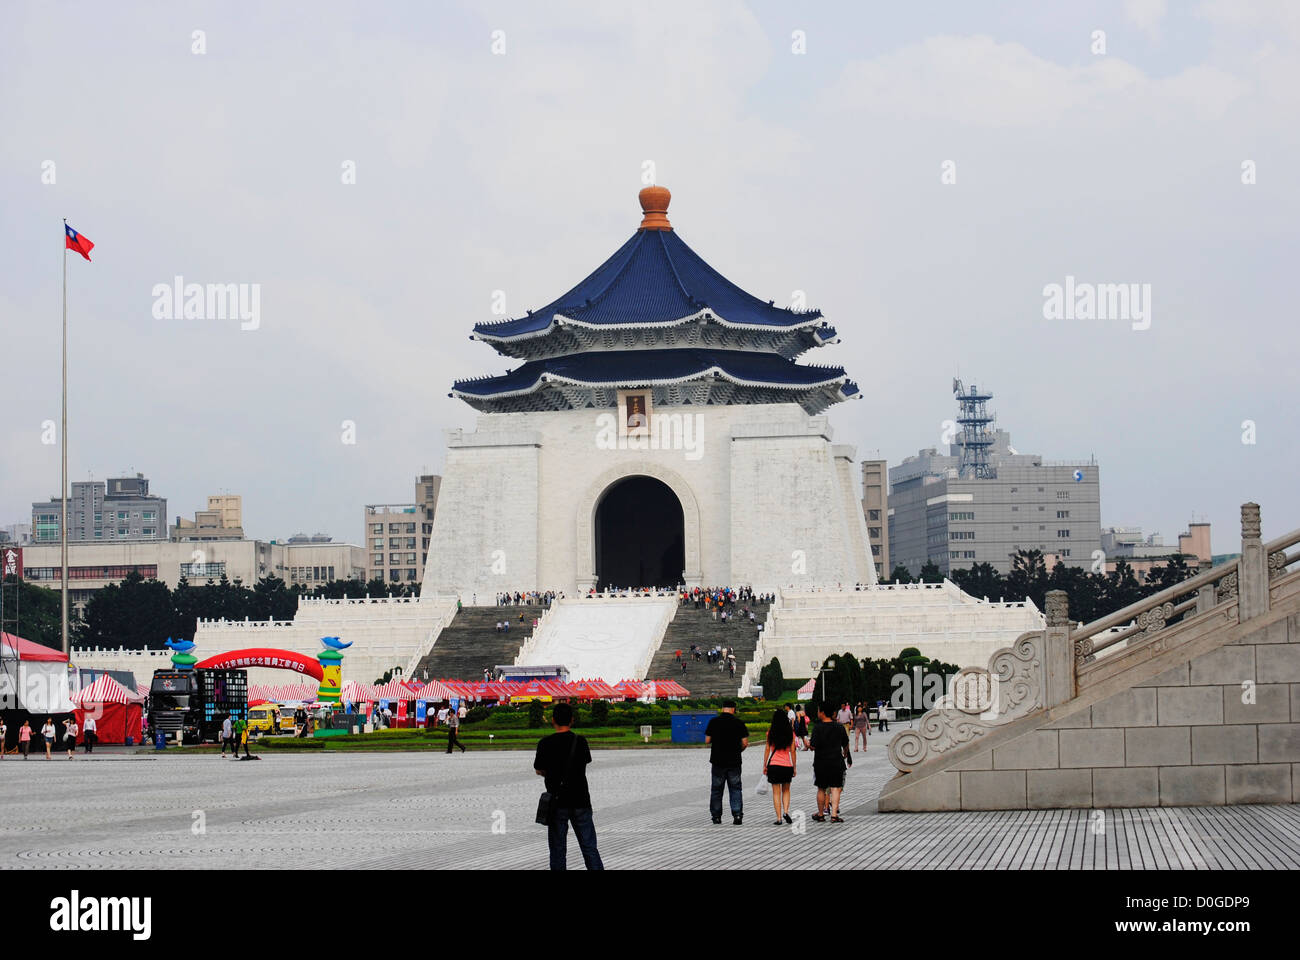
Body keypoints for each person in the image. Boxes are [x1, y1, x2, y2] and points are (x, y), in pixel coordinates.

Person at [534, 702, 602, 870]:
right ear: (572, 720)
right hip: (580, 800)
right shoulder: (580, 741)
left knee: (557, 850)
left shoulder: (545, 743)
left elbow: (539, 770)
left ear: (553, 720)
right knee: (589, 847)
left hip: (557, 802)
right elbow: (584, 763)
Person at [704, 699, 749, 825]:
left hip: (718, 761)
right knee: (735, 788)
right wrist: (738, 750)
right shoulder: (739, 723)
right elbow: (745, 743)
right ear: (733, 709)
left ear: (723, 708)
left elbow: (707, 740)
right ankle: (737, 815)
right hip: (734, 761)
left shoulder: (714, 722)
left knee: (716, 790)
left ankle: (716, 816)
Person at [811, 703, 852, 823]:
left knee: (821, 788)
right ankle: (834, 815)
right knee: (835, 788)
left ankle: (820, 814)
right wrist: (845, 753)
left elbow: (813, 746)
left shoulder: (817, 727)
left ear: (822, 712)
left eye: (818, 710)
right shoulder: (839, 727)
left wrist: (808, 745)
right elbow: (846, 743)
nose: (818, 713)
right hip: (836, 762)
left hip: (821, 762)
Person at [762, 709, 796, 825]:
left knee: (776, 792)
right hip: (786, 765)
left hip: (774, 766)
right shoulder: (790, 732)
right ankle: (786, 812)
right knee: (786, 790)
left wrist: (765, 765)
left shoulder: (770, 732)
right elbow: (792, 751)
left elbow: (767, 749)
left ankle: (779, 818)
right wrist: (794, 767)